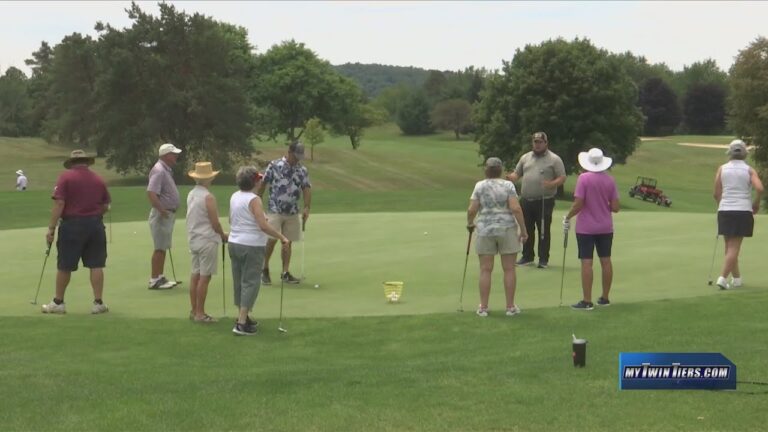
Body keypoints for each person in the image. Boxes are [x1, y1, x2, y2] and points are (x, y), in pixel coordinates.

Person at [42, 150, 111, 314]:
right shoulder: (98, 179)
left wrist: (51, 228)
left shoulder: (65, 177)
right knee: (96, 264)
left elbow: (59, 204)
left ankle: (58, 302)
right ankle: (98, 302)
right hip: (95, 225)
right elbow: (106, 206)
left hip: (72, 225)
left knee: (65, 265)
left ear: (72, 163)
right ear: (86, 162)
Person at [229, 166, 290, 336]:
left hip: (234, 242)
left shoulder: (234, 196)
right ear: (254, 181)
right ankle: (241, 323)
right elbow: (262, 226)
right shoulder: (254, 199)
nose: (261, 181)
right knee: (250, 282)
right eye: (259, 179)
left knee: (239, 280)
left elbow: (231, 219)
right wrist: (281, 237)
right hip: (251, 245)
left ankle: (244, 316)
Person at [467, 157, 528, 317]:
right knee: (509, 269)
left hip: (485, 230)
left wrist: (470, 223)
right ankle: (510, 307)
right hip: (506, 229)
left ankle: (483, 307)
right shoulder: (508, 185)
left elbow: (472, 209)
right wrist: (523, 230)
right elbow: (516, 208)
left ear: (486, 170)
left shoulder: (479, 186)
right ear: (500, 170)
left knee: (485, 269)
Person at [563, 148, 620, 311]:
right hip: (605, 227)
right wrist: (603, 205)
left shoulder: (583, 179)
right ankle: (605, 297)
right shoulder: (610, 180)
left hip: (586, 228)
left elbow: (578, 203)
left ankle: (587, 301)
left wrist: (568, 216)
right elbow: (615, 207)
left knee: (587, 263)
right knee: (606, 261)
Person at [506, 132, 566, 269]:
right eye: (535, 142)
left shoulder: (554, 159)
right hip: (526, 199)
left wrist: (551, 184)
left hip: (545, 200)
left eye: (540, 142)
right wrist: (511, 177)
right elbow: (518, 173)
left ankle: (543, 259)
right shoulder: (525, 157)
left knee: (543, 229)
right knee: (526, 229)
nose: (537, 145)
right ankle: (527, 256)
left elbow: (562, 177)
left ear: (546, 143)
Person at [257, 141, 311, 285]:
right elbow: (263, 183)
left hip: (292, 211)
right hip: (275, 209)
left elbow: (306, 188)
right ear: (289, 152)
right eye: (296, 155)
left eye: (300, 156)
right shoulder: (274, 165)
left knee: (287, 242)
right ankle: (265, 269)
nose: (297, 159)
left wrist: (306, 207)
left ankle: (285, 272)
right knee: (271, 240)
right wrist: (257, 200)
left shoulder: (302, 170)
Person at [713, 139, 764, 290]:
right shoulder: (749, 170)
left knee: (729, 247)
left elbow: (716, 194)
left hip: (725, 210)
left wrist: (722, 205)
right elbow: (760, 189)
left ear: (730, 153)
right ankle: (722, 278)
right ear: (744, 154)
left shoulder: (722, 169)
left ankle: (737, 279)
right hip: (742, 210)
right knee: (734, 247)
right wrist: (756, 203)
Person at [186, 162, 228, 323]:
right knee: (205, 277)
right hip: (207, 240)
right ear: (209, 179)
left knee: (195, 275)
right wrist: (223, 234)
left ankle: (194, 310)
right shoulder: (208, 197)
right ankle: (200, 313)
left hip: (194, 238)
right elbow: (214, 222)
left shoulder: (191, 193)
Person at [147, 143, 183, 289]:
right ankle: (154, 279)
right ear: (166, 155)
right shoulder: (159, 170)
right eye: (173, 154)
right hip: (162, 214)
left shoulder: (165, 170)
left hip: (166, 213)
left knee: (163, 246)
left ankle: (160, 277)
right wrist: (162, 210)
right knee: (160, 247)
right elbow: (151, 192)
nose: (176, 156)